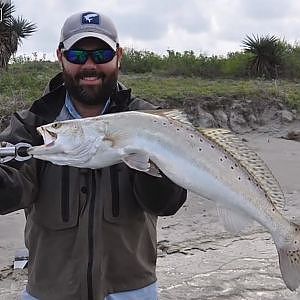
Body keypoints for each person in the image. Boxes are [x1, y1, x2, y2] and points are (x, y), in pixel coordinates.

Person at [0, 11, 187, 300]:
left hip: (132, 291)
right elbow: (12, 189)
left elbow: (168, 203)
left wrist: (148, 163)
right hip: (49, 292)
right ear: (61, 56)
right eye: (77, 55)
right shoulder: (34, 124)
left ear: (119, 56)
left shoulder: (149, 119)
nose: (89, 65)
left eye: (101, 54)